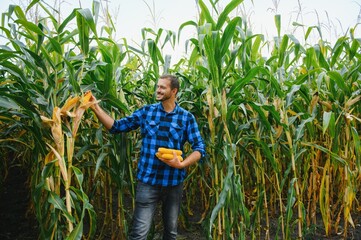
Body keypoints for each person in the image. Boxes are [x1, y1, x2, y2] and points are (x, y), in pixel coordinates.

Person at [89, 74, 206, 240]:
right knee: (138, 234)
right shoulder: (146, 112)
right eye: (157, 86)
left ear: (174, 91)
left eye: (162, 87)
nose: (158, 90)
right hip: (148, 182)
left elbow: (199, 149)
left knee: (170, 233)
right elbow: (116, 126)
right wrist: (95, 108)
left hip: (173, 183)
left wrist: (181, 164)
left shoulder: (186, 118)